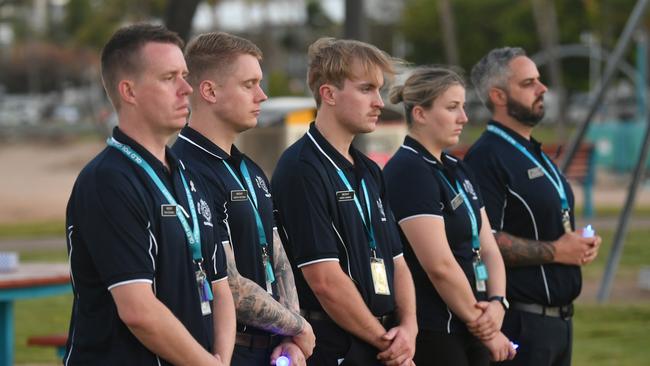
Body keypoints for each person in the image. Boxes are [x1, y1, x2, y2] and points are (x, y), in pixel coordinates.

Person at [63, 24, 235, 365]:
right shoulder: (108, 181)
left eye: (185, 75)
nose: (187, 89)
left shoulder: (189, 176)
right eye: (169, 77)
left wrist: (220, 358)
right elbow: (138, 310)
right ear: (129, 91)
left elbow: (220, 287)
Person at [172, 32, 315, 366]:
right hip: (225, 349)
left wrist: (291, 335)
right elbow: (229, 284)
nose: (262, 96)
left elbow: (278, 258)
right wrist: (297, 326)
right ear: (209, 91)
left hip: (275, 345)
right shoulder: (186, 170)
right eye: (249, 84)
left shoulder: (249, 169)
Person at [272, 37, 417, 366]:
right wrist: (387, 343)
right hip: (335, 344)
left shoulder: (367, 169)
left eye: (379, 90)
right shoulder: (301, 169)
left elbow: (398, 262)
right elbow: (324, 281)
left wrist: (409, 329)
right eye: (366, 89)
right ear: (329, 94)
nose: (379, 102)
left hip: (382, 341)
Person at [465, 47, 602, 366]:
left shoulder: (533, 150)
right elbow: (483, 241)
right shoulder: (487, 157)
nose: (543, 89)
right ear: (498, 96)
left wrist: (577, 244)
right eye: (528, 83)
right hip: (521, 324)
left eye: (539, 81)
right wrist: (557, 250)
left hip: (559, 323)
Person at [384, 67, 516, 366]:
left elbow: (487, 245)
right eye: (452, 107)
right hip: (438, 330)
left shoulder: (457, 168)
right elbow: (439, 265)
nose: (464, 118)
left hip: (475, 320)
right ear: (420, 113)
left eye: (463, 107)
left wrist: (498, 303)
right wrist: (485, 328)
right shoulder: (408, 171)